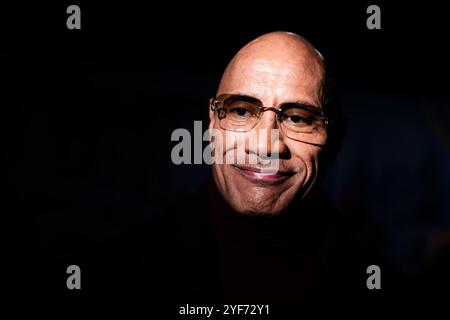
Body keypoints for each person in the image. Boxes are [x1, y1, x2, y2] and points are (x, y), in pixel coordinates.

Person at [129, 31, 395, 301]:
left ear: (335, 140)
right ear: (212, 124)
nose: (265, 147)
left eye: (298, 119)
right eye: (241, 111)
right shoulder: (123, 271)